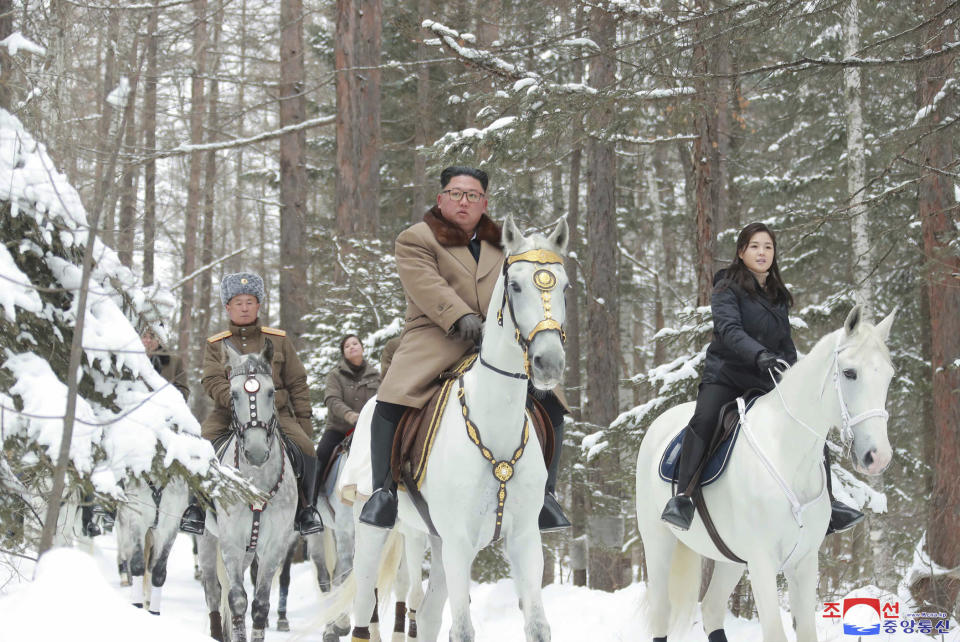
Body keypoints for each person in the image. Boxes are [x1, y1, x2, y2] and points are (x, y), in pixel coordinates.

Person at [359, 165, 570, 532]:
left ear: (484, 203)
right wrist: (458, 315)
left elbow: (522, 285)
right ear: (441, 199)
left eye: (473, 195)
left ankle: (546, 497)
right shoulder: (416, 238)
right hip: (436, 336)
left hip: (498, 338)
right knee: (392, 398)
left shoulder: (504, 242)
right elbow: (425, 284)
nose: (464, 201)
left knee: (553, 403)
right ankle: (384, 494)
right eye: (456, 193)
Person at [660, 222, 864, 534]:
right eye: (755, 246)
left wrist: (795, 374)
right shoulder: (726, 286)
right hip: (727, 375)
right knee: (704, 418)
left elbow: (784, 342)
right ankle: (683, 497)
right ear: (741, 252)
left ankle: (829, 503)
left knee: (811, 421)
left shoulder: (778, 294)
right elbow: (729, 330)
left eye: (768, 247)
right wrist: (758, 354)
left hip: (768, 378)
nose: (762, 252)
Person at [179, 272, 323, 535]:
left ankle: (306, 509)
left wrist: (304, 422)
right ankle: (196, 508)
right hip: (228, 412)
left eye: (249, 301)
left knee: (306, 449)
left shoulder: (278, 340)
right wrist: (236, 401)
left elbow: (297, 381)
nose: (244, 307)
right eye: (238, 302)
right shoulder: (217, 344)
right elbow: (211, 379)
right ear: (228, 307)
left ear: (258, 305)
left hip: (276, 413)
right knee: (201, 448)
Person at [315, 335, 380, 473]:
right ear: (343, 352)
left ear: (362, 348)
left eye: (355, 343)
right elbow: (332, 400)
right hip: (339, 429)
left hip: (368, 428)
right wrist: (350, 416)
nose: (352, 347)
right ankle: (312, 494)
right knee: (320, 455)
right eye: (347, 346)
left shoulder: (376, 376)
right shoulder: (335, 375)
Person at [141, 326, 189, 400]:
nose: (148, 340)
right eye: (144, 336)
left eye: (152, 337)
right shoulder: (129, 360)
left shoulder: (174, 362)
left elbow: (184, 393)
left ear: (159, 339)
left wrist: (167, 397)